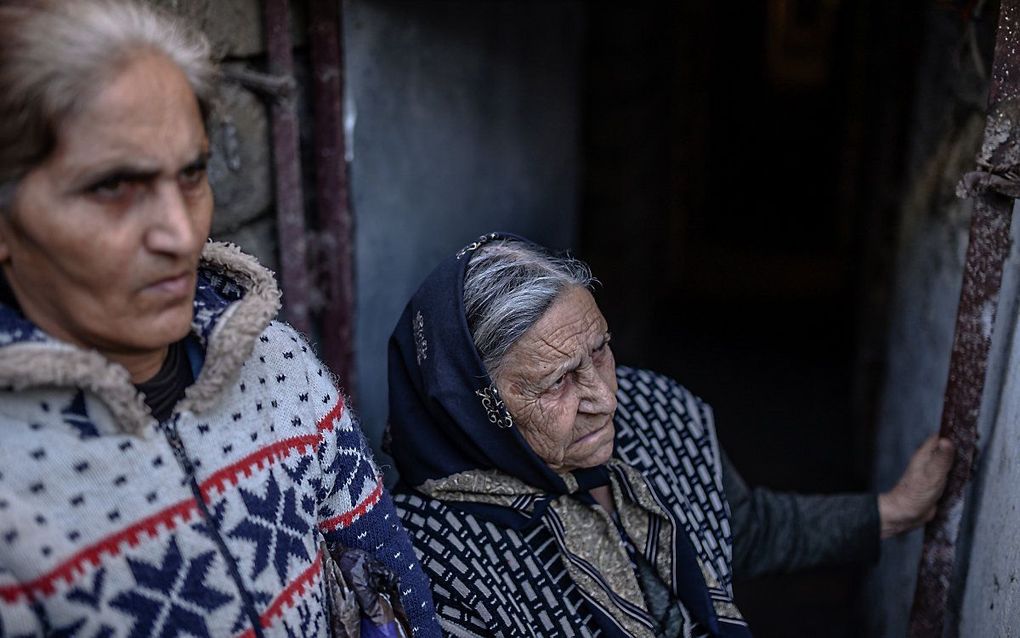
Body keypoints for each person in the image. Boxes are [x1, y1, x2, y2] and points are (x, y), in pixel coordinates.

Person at [0, 2, 439, 636]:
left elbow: (394, 594)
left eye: (192, 174)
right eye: (112, 188)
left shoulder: (275, 364)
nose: (181, 234)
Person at [386, 233, 953, 637]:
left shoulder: (659, 410)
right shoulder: (430, 556)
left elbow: (742, 530)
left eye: (600, 350)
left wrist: (896, 511)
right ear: (474, 408)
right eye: (556, 382)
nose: (605, 399)